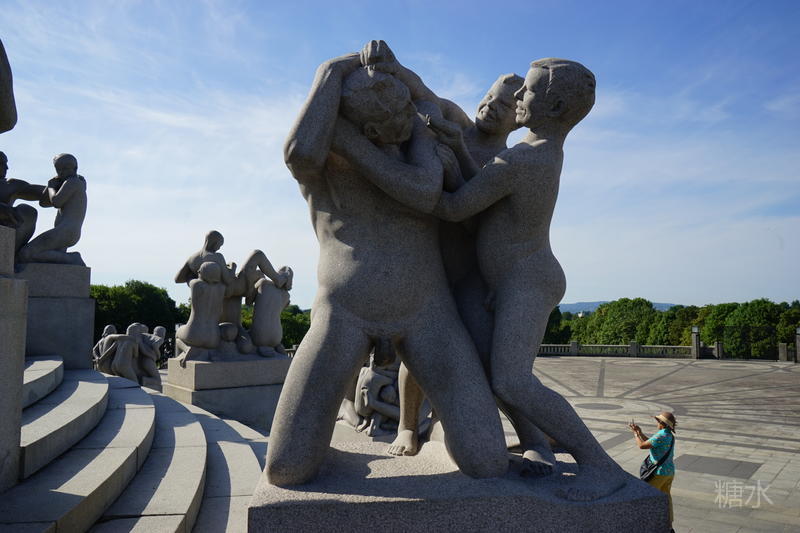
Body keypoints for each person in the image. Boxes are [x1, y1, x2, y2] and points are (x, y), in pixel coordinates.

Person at [266, 52, 508, 486]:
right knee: (287, 467)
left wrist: (352, 141)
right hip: (343, 311)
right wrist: (330, 71)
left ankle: (432, 433)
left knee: (487, 460)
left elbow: (422, 189)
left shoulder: (412, 136)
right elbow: (298, 154)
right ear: (368, 128)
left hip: (427, 310)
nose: (409, 117)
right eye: (394, 114)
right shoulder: (321, 158)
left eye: (404, 105)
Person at [422, 59, 629, 500]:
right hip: (515, 280)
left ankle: (599, 465)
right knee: (501, 373)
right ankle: (549, 443)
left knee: (513, 381)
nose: (517, 97)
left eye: (527, 91)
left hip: (527, 280)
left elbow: (457, 207)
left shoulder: (524, 157)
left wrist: (407, 181)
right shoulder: (539, 152)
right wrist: (458, 149)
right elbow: (487, 191)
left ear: (553, 107)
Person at [360, 41, 555, 475]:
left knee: (495, 361)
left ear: (518, 116)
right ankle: (407, 427)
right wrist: (393, 65)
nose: (488, 108)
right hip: (428, 261)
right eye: (487, 98)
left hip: (471, 271)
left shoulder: (506, 160)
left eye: (501, 106)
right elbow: (422, 91)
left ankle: (533, 438)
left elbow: (476, 220)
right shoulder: (456, 122)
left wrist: (455, 169)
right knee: (415, 352)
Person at [17, 153, 87, 265]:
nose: (62, 172)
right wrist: (53, 186)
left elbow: (56, 202)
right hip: (65, 231)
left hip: (66, 231)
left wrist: (51, 186)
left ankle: (73, 258)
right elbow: (43, 203)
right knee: (35, 256)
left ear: (75, 168)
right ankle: (67, 260)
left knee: (26, 254)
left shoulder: (73, 182)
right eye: (59, 169)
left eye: (66, 168)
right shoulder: (72, 183)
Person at [630, 412, 677, 531]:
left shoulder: (661, 435)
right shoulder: (668, 435)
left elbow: (642, 445)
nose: (657, 423)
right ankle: (668, 525)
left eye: (658, 421)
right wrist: (640, 432)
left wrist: (635, 434)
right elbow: (651, 443)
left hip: (658, 473)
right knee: (666, 499)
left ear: (662, 423)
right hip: (669, 473)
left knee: (646, 497)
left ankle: (646, 523)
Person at [0, 151, 46, 253]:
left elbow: (43, 193)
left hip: (4, 241)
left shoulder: (9, 185)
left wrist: (66, 185)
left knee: (27, 211)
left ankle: (10, 255)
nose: (7, 167)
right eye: (2, 163)